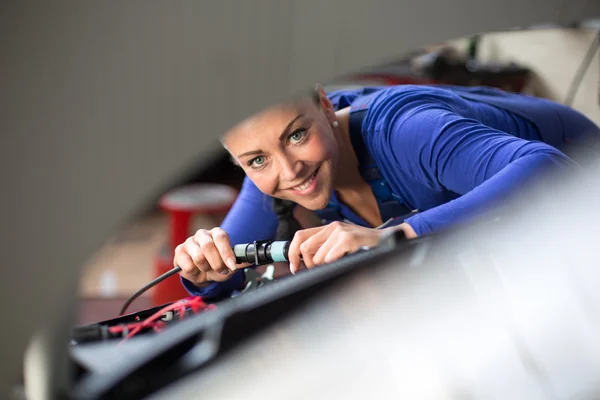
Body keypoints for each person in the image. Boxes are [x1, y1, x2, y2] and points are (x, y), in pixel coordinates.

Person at [174, 84, 600, 299]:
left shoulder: (406, 132)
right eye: (256, 160)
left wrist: (393, 236)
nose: (289, 170)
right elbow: (220, 283)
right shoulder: (277, 176)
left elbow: (551, 169)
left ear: (325, 106)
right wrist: (203, 268)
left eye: (298, 135)